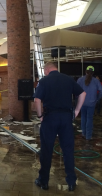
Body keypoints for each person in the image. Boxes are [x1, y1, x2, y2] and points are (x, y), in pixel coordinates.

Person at [34, 62, 86, 191]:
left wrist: (40, 116)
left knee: (46, 150)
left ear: (46, 70)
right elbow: (82, 94)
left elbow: (37, 100)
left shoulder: (44, 81)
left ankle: (43, 181)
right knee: (68, 150)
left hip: (50, 118)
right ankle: (71, 182)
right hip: (66, 118)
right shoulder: (68, 79)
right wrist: (76, 111)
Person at [77, 66, 102, 141]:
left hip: (82, 103)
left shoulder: (80, 80)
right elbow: (101, 91)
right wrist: (97, 99)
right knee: (89, 118)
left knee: (83, 117)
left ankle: (83, 133)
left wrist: (79, 99)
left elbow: (76, 91)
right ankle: (88, 136)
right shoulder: (96, 81)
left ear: (85, 71)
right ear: (93, 73)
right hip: (92, 103)